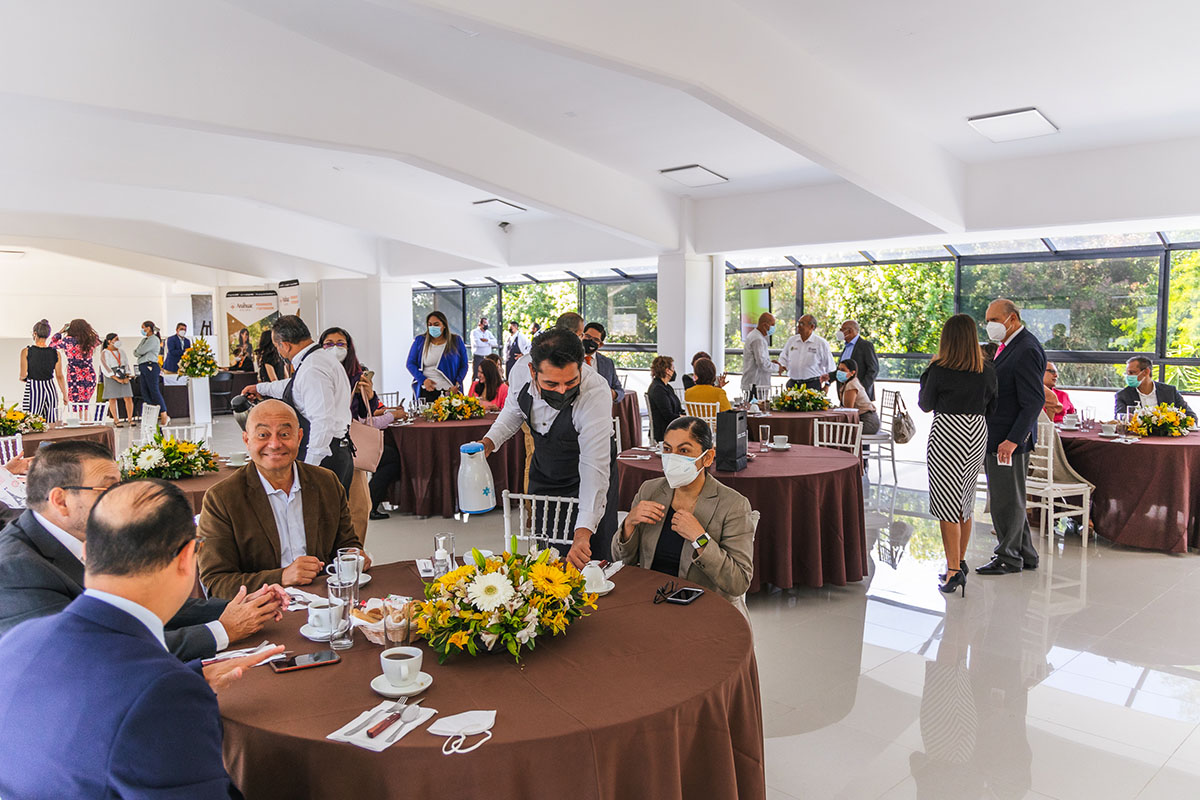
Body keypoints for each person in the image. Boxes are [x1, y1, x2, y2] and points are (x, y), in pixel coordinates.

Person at [0, 480, 280, 800]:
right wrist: (172, 689)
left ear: (87, 552)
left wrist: (185, 678)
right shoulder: (162, 695)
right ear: (188, 558)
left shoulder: (18, 640)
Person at [0, 440, 284, 659]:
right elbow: (95, 652)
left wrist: (241, 608)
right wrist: (221, 631)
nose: (120, 498)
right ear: (60, 501)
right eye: (107, 489)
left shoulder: (84, 533)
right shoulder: (16, 568)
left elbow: (147, 599)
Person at [198, 399, 368, 598]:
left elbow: (347, 544)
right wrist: (282, 577)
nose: (275, 444)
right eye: (263, 435)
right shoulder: (222, 498)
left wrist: (353, 557)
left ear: (299, 437)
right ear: (246, 440)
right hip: (262, 609)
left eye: (285, 434)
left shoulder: (326, 482)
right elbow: (216, 582)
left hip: (324, 602)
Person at [480, 327, 616, 568]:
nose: (563, 391)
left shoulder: (595, 392)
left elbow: (594, 469)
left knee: (591, 562)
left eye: (571, 382)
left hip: (586, 477)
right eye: (552, 384)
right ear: (533, 371)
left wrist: (583, 533)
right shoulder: (521, 371)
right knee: (547, 558)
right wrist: (489, 442)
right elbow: (514, 410)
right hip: (546, 474)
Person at [613, 416, 755, 616]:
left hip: (702, 610)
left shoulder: (733, 505)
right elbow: (622, 560)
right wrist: (629, 524)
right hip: (648, 601)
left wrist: (700, 538)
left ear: (707, 457)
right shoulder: (650, 490)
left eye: (684, 451)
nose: (672, 458)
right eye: (667, 449)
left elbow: (739, 582)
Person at [918, 315, 997, 595]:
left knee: (945, 503)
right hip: (976, 431)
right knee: (964, 499)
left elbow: (925, 405)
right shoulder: (987, 369)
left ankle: (953, 571)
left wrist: (927, 374)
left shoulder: (939, 369)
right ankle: (960, 562)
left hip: (948, 431)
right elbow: (993, 407)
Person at [242, 315, 353, 493]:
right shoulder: (316, 359)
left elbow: (322, 421)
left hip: (326, 456)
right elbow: (294, 387)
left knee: (322, 518)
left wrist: (309, 468)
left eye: (277, 345)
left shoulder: (312, 368)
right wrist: (260, 388)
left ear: (285, 345)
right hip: (334, 450)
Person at [977, 299, 1046, 576]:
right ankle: (1025, 554)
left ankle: (1008, 557)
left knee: (1005, 500)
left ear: (1012, 319)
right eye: (988, 320)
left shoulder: (1026, 349)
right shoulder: (1012, 346)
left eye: (994, 319)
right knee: (1010, 497)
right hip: (1000, 436)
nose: (990, 325)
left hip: (1009, 441)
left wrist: (1013, 440)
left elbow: (1033, 401)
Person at [320, 326, 405, 535]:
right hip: (320, 447)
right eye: (329, 344)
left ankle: (356, 552)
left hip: (349, 447)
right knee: (326, 506)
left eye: (340, 344)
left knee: (360, 506)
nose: (335, 348)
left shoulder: (356, 376)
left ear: (349, 348)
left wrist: (369, 393)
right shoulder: (315, 375)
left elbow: (371, 412)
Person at [406, 310, 469, 403]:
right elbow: (410, 363)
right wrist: (423, 380)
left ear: (444, 325)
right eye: (430, 324)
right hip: (427, 389)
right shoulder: (420, 341)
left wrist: (457, 383)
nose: (432, 327)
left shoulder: (456, 341)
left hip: (449, 390)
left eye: (436, 324)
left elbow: (464, 365)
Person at [1114, 356, 1197, 419]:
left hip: (1168, 439)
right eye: (1127, 373)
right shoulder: (1123, 395)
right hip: (1137, 439)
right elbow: (1120, 418)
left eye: (1132, 373)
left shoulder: (1170, 391)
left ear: (1146, 372)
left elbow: (1191, 417)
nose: (1128, 377)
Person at [19, 319, 66, 423]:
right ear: (48, 335)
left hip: (33, 388)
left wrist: (25, 379)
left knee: (31, 421)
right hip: (50, 388)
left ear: (35, 333)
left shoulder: (26, 351)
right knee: (51, 421)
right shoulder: (55, 353)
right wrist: (64, 394)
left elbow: (22, 375)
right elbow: (59, 376)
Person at [777, 314, 835, 391]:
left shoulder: (821, 343)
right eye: (798, 323)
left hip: (812, 385)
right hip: (793, 384)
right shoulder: (792, 341)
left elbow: (830, 367)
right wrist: (782, 366)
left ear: (812, 327)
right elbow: (783, 357)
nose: (798, 326)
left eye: (802, 324)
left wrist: (827, 385)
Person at [49, 318, 100, 403]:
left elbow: (51, 345)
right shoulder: (90, 340)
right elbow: (98, 339)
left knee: (77, 404)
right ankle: (85, 417)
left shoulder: (67, 341)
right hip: (89, 373)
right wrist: (88, 330)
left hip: (74, 374)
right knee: (85, 403)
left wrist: (61, 331)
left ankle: (81, 417)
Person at [134, 319, 170, 427]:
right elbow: (135, 352)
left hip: (150, 366)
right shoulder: (145, 340)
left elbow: (140, 351)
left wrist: (139, 352)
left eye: (143, 327)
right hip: (143, 366)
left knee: (154, 390)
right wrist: (139, 352)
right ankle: (150, 417)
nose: (142, 330)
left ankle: (164, 414)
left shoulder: (154, 339)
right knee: (145, 391)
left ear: (149, 328)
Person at [832, 320, 879, 400]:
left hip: (860, 395)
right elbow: (842, 369)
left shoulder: (865, 345)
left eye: (842, 329)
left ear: (850, 331)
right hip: (845, 393)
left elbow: (873, 369)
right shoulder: (846, 347)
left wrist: (860, 388)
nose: (839, 332)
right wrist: (828, 377)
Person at [834, 358, 880, 435]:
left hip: (867, 422)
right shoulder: (848, 383)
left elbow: (849, 410)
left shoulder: (851, 385)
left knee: (836, 431)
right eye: (838, 369)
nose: (839, 372)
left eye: (843, 370)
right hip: (862, 419)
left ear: (852, 373)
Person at [583, 322, 625, 402]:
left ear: (600, 345)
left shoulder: (607, 363)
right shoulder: (571, 359)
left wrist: (612, 394)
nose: (590, 341)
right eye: (587, 336)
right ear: (582, 336)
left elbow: (620, 391)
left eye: (596, 339)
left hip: (600, 409)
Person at [98, 333, 134, 427]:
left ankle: (130, 418)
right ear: (109, 341)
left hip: (122, 373)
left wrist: (127, 376)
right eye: (116, 339)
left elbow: (126, 363)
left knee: (128, 397)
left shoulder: (121, 351)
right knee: (112, 398)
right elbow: (105, 366)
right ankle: (116, 419)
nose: (118, 341)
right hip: (111, 376)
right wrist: (116, 378)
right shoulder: (105, 352)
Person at [647, 355, 683, 442]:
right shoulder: (658, 389)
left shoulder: (666, 387)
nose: (674, 371)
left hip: (670, 426)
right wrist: (685, 418)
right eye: (673, 368)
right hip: (664, 430)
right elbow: (668, 415)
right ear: (667, 371)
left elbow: (677, 409)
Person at [741, 312, 776, 401]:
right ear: (765, 325)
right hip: (755, 385)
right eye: (772, 325)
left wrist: (771, 363)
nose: (773, 328)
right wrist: (777, 368)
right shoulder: (757, 339)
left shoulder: (757, 336)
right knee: (756, 411)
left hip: (756, 384)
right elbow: (762, 364)